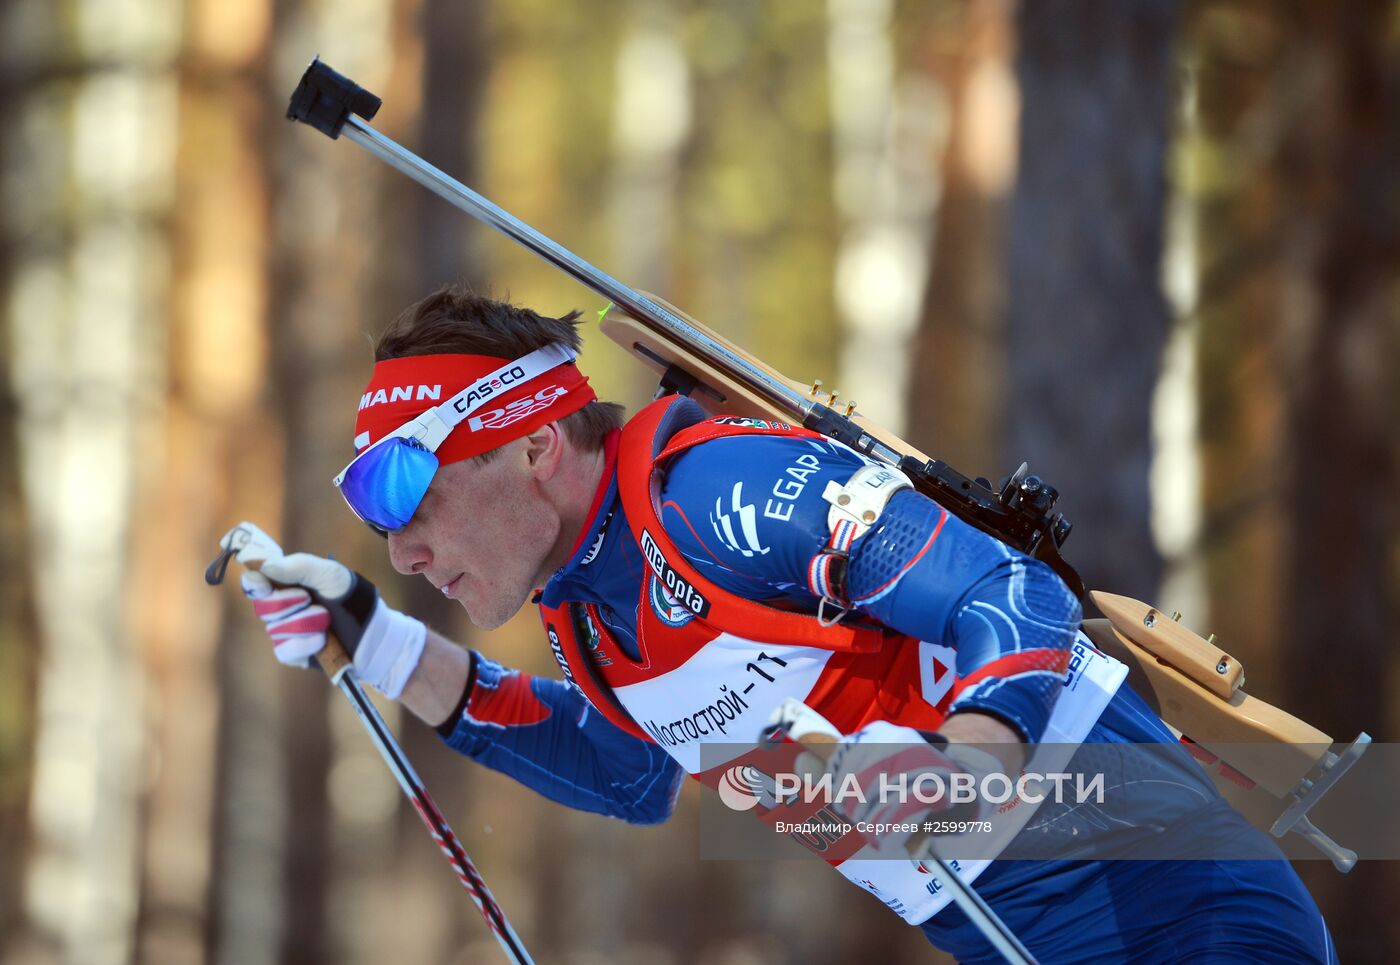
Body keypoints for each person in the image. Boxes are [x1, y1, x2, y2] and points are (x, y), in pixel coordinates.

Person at [237, 285, 1336, 963]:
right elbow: (620, 769)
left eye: (413, 494)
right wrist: (370, 635)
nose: (404, 546)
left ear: (532, 447)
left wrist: (973, 750)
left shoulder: (714, 493)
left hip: (1179, 912)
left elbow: (1005, 588)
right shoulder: (588, 611)